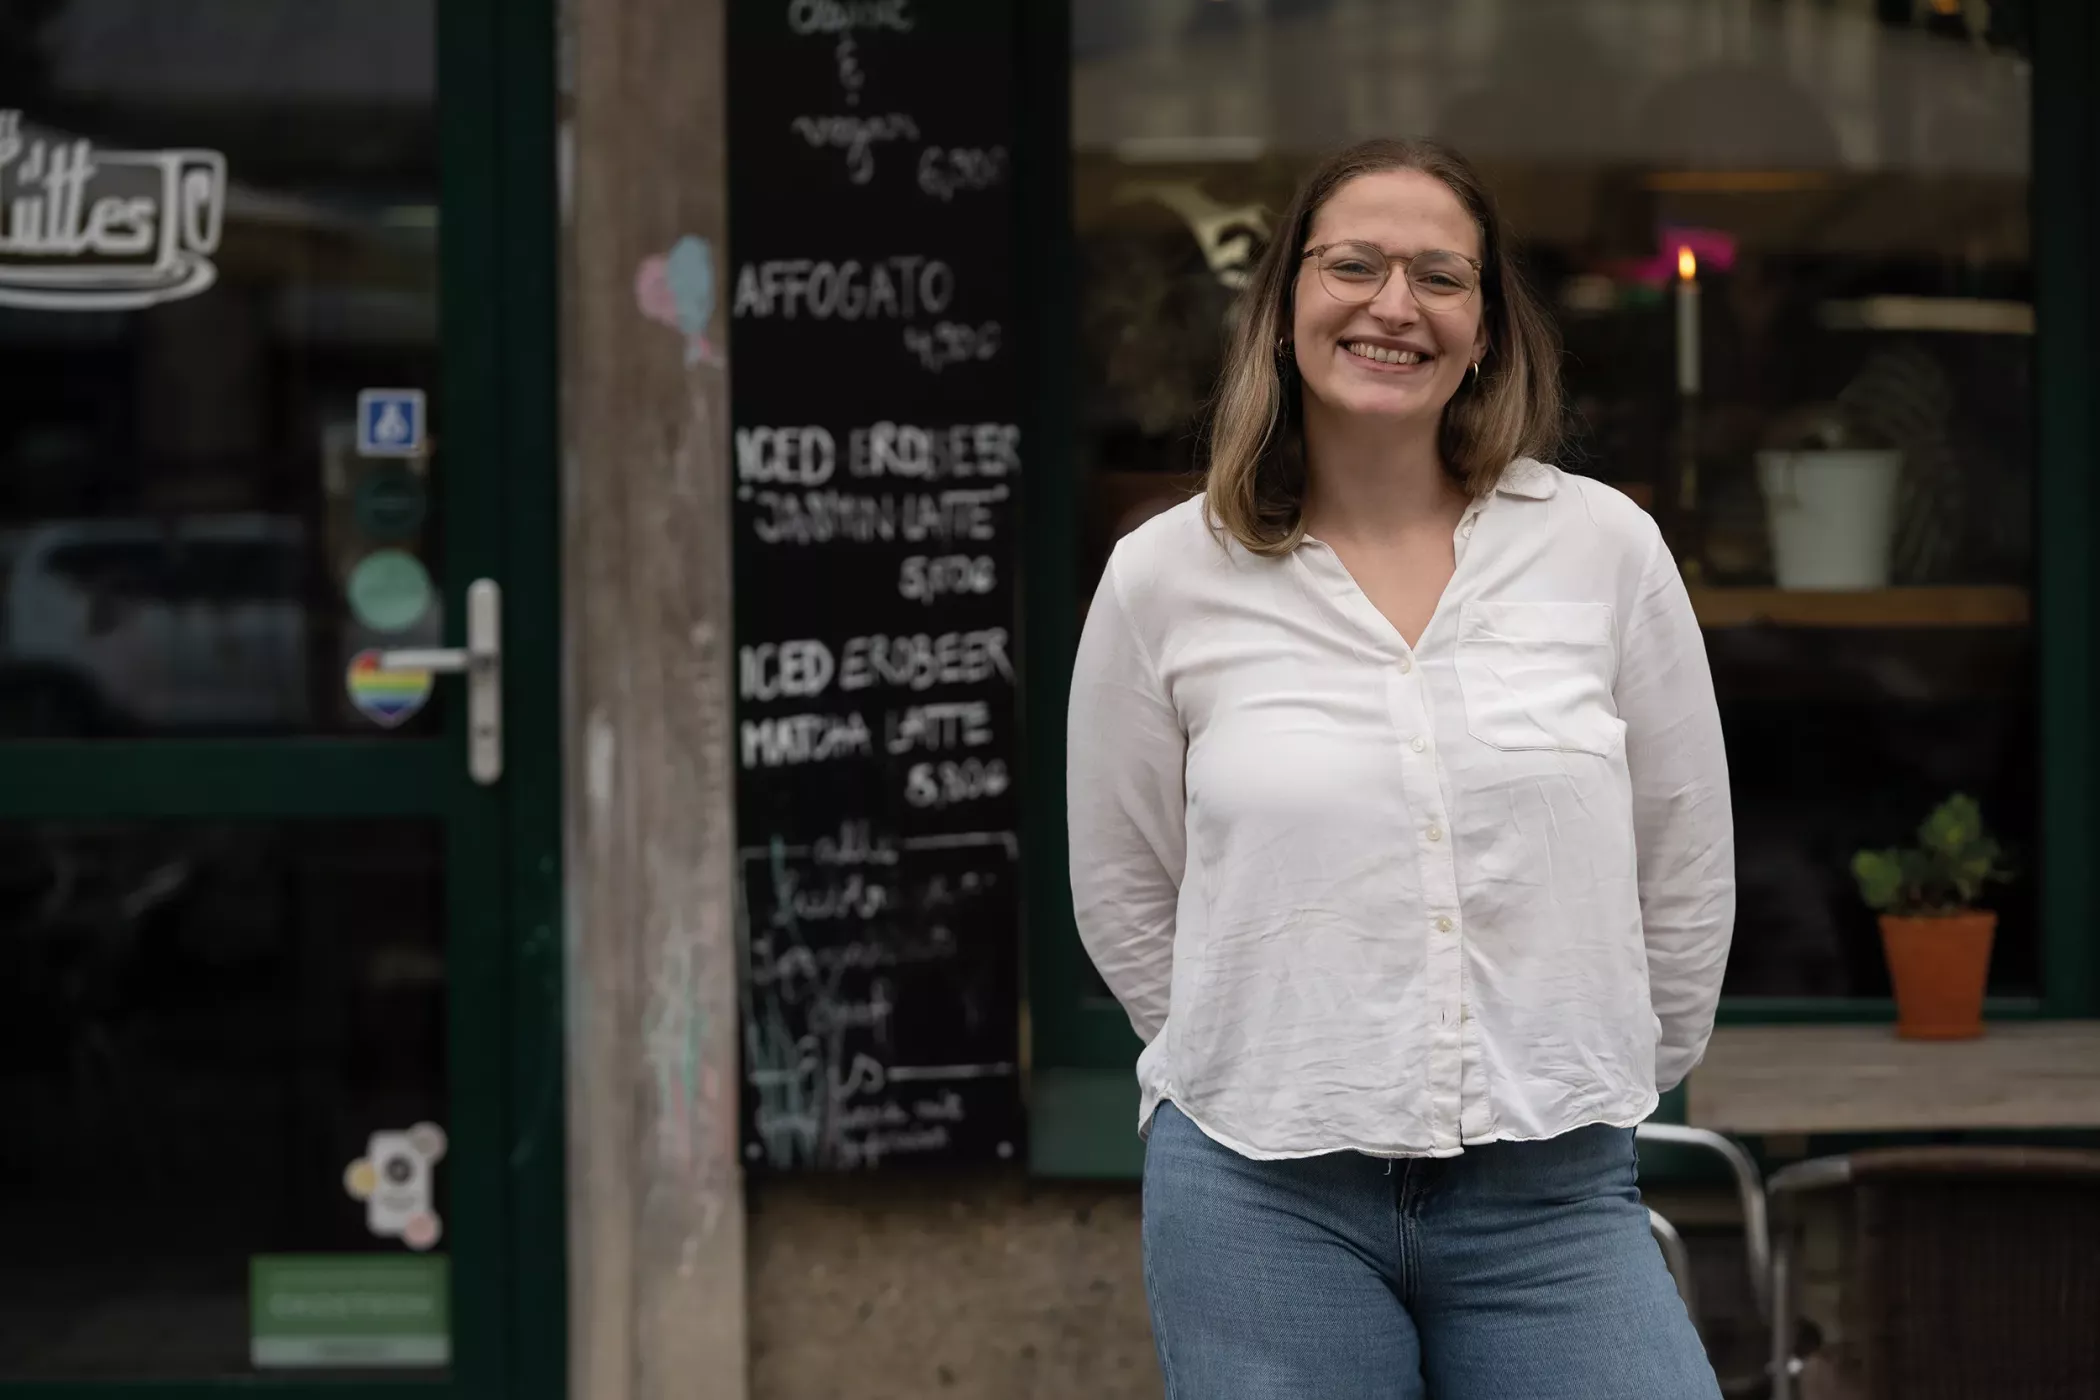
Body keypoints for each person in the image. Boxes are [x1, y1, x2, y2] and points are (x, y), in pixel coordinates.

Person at [1065, 137, 1735, 1399]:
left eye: (1440, 276)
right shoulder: (1165, 574)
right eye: (1354, 266)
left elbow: (1684, 863)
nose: (1394, 305)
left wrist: (1587, 1074)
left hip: (1552, 1197)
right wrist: (1274, 1049)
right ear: (1284, 308)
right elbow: (1123, 886)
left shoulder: (1605, 549)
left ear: (1485, 329)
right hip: (1264, 1193)